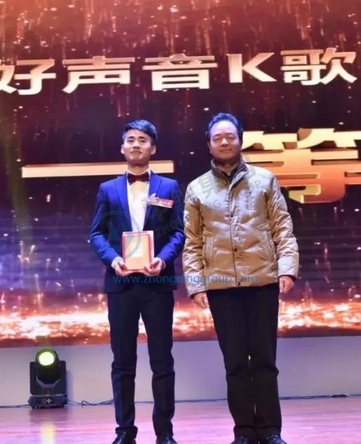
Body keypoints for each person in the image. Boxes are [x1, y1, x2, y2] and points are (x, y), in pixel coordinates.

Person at [182, 112, 299, 444]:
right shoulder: (197, 189)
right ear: (208, 145)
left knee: (264, 360)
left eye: (230, 136)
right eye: (217, 137)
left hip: (262, 281)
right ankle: (244, 430)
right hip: (221, 286)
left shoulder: (264, 180)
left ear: (240, 141)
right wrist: (196, 284)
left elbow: (282, 228)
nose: (224, 142)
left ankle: (271, 429)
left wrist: (287, 268)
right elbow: (192, 241)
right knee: (234, 363)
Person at [89, 119, 185, 444]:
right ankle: (125, 431)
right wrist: (113, 259)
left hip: (157, 283)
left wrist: (164, 259)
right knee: (122, 362)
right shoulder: (108, 189)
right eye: (130, 139)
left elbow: (178, 232)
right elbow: (96, 233)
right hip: (121, 285)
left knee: (162, 361)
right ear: (122, 147)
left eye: (142, 140)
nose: (135, 144)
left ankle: (164, 432)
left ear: (152, 148)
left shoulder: (168, 187)